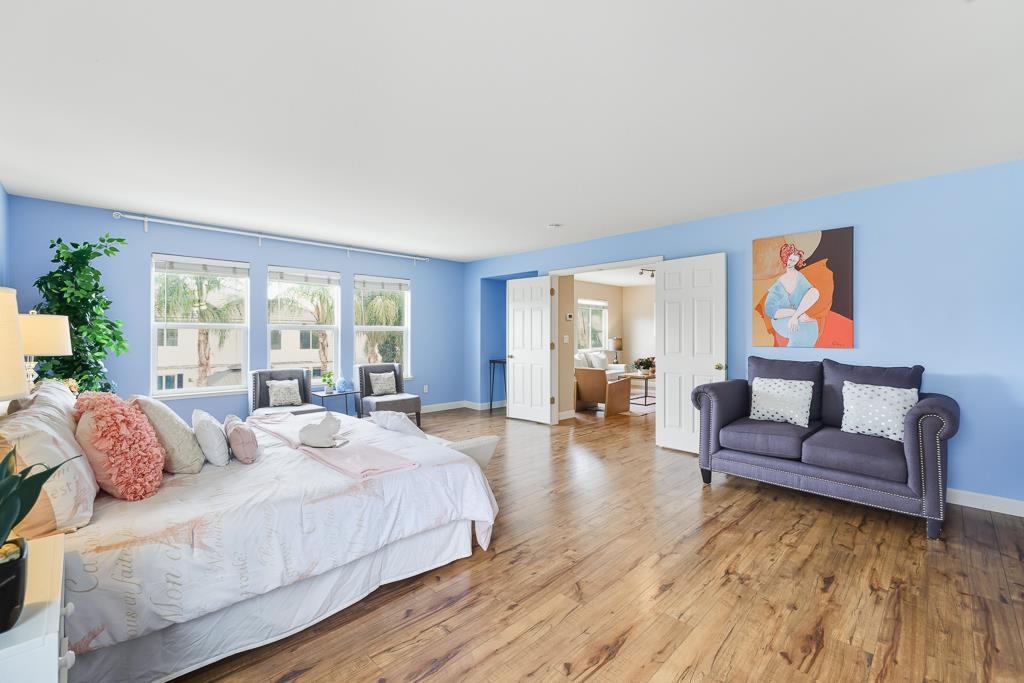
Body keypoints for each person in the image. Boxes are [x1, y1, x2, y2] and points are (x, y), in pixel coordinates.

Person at [764, 243, 820, 347]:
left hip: (798, 314)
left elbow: (811, 294)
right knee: (800, 328)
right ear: (785, 258)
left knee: (812, 324)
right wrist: (795, 314)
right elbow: (770, 310)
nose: (791, 263)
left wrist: (796, 316)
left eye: (794, 261)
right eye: (790, 259)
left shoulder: (800, 278)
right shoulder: (779, 281)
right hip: (781, 317)